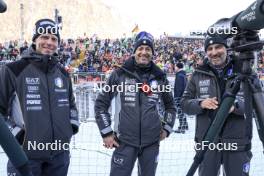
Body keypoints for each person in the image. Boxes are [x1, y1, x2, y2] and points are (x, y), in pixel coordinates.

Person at [0, 18, 79, 176]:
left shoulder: (63, 74)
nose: (49, 42)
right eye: (44, 37)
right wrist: (16, 134)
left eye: (54, 39)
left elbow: (71, 105)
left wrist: (71, 127)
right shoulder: (13, 70)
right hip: (25, 156)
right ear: (35, 39)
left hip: (59, 156)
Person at [95, 31, 176, 176]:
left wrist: (167, 128)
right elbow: (101, 103)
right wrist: (106, 132)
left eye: (148, 49)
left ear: (152, 53)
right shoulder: (120, 74)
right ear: (134, 51)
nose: (144, 52)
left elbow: (170, 106)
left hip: (151, 142)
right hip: (124, 141)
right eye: (140, 49)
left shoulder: (160, 77)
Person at [181, 36, 252, 176]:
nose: (214, 52)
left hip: (237, 142)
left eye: (218, 47)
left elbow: (253, 103)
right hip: (207, 142)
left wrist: (235, 105)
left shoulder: (243, 70)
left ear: (227, 48)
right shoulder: (198, 73)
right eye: (210, 49)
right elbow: (184, 103)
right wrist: (200, 103)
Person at [173, 62, 188, 133]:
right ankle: (185, 125)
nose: (174, 68)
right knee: (183, 111)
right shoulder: (183, 74)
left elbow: (179, 87)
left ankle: (182, 128)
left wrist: (176, 97)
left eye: (175, 66)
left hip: (179, 96)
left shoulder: (179, 75)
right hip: (183, 96)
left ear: (177, 67)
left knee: (180, 112)